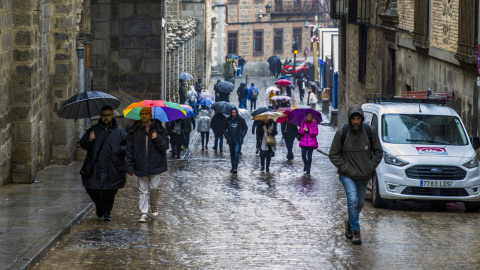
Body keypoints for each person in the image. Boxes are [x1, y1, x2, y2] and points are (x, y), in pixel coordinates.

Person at [328, 105, 383, 245]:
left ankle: (349, 221)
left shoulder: (370, 132)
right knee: (352, 200)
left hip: (363, 175)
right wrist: (345, 167)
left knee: (359, 203)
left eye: (358, 119)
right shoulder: (343, 133)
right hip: (347, 175)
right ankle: (356, 231)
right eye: (354, 119)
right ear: (350, 119)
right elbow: (333, 154)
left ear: (362, 119)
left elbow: (378, 152)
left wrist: (369, 167)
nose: (356, 122)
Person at [79, 106, 127, 222]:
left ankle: (107, 212)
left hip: (113, 166)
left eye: (108, 115)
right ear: (101, 116)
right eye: (104, 115)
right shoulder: (94, 130)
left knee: (110, 190)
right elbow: (83, 144)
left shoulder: (120, 131)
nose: (106, 118)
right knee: (91, 188)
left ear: (112, 116)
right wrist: (89, 140)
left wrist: (118, 149)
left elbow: (128, 147)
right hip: (95, 166)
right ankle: (99, 206)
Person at [126, 107, 170, 223]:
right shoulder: (134, 130)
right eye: (142, 113)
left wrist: (157, 138)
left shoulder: (159, 129)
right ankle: (143, 212)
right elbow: (129, 149)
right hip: (140, 163)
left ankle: (154, 204)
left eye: (146, 114)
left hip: (156, 164)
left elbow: (165, 146)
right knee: (143, 190)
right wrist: (129, 166)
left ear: (150, 115)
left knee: (154, 188)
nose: (144, 116)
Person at [223, 108, 248, 173]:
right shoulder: (228, 120)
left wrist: (242, 135)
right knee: (232, 153)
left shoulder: (241, 120)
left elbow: (245, 128)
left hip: (238, 139)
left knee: (236, 153)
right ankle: (233, 166)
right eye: (233, 112)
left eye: (235, 112)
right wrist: (226, 136)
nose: (234, 114)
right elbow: (224, 128)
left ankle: (235, 167)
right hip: (231, 139)